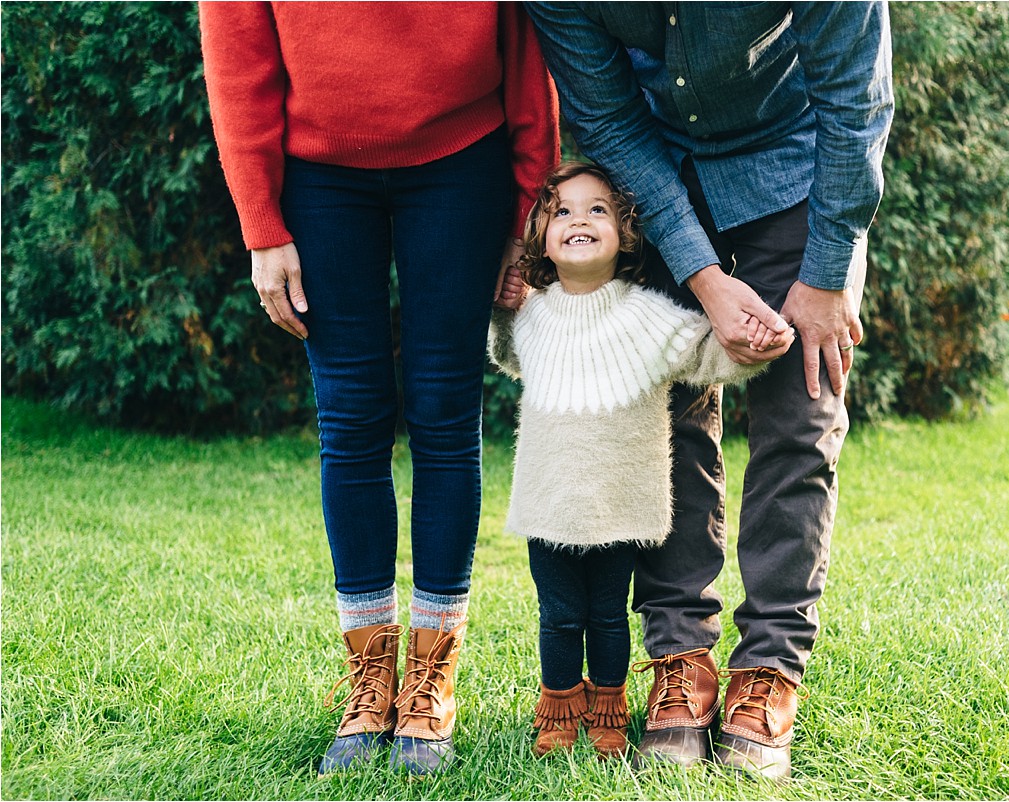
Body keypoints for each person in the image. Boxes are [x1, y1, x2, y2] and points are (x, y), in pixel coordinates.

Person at [524, 2, 894, 779]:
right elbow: (613, 123)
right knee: (668, 424)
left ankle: (769, 669)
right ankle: (680, 659)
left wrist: (828, 273)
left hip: (797, 172)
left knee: (803, 417)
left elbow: (855, 99)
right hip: (661, 182)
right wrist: (702, 274)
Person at [198, 3, 558, 776]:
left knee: (443, 418)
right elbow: (236, 58)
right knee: (352, 423)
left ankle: (430, 684)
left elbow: (526, 48)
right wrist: (262, 227)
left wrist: (527, 211)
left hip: (463, 161)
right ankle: (370, 683)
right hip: (320, 179)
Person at [488, 162, 775, 759]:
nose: (578, 220)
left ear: (627, 232)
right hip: (550, 504)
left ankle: (609, 707)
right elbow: (507, 355)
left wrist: (753, 345)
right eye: (561, 210)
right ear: (540, 232)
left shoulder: (647, 314)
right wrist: (500, 306)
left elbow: (706, 355)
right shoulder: (533, 313)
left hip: (618, 506)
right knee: (560, 615)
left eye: (597, 209)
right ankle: (560, 704)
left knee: (610, 616)